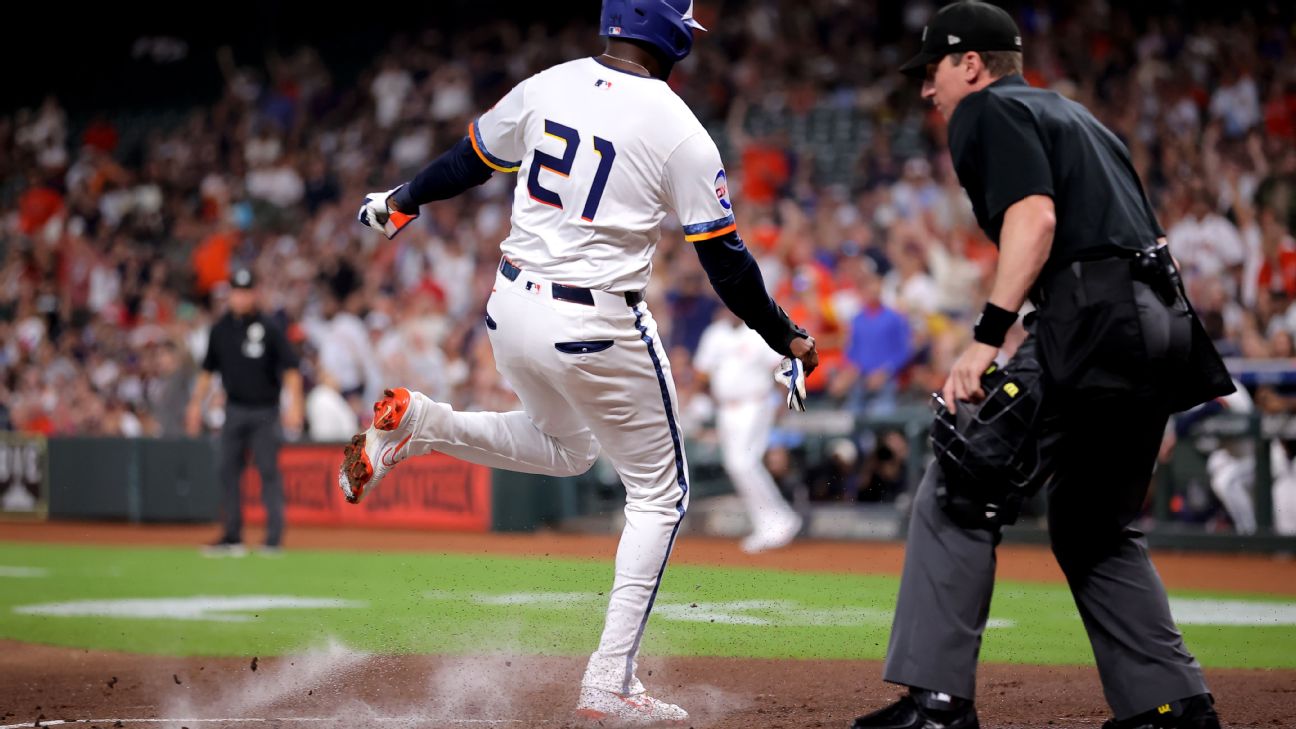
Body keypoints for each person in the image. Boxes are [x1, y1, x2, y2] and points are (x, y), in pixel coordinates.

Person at [341, 1, 819, 724]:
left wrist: (402, 199)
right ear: (667, 32)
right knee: (660, 495)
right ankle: (610, 680)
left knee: (568, 450)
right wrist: (786, 336)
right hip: (594, 317)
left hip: (510, 305)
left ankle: (423, 424)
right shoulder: (678, 128)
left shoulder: (549, 82)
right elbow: (724, 260)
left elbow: (469, 159)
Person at [850, 3, 1234, 729]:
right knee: (1093, 524)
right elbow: (1142, 239)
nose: (927, 90)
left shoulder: (987, 109)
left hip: (1093, 319)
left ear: (970, 64)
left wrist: (985, 338)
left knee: (960, 484)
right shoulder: (1079, 117)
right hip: (1160, 321)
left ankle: (938, 705)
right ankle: (1172, 704)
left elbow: (1036, 218)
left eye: (932, 71)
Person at [187, 268, 303, 556]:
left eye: (246, 292)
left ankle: (273, 540)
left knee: (268, 472)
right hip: (234, 409)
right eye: (237, 292)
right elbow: (207, 371)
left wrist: (295, 405)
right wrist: (194, 404)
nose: (241, 298)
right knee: (227, 470)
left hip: (265, 411)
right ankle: (232, 537)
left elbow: (291, 368)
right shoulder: (220, 330)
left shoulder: (269, 327)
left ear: (255, 294)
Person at [694, 309, 802, 553]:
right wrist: (705, 398)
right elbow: (702, 372)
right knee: (738, 465)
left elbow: (780, 366)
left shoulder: (757, 331)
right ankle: (775, 521)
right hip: (725, 409)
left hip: (755, 403)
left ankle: (777, 522)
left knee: (743, 463)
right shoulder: (714, 334)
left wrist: (783, 397)